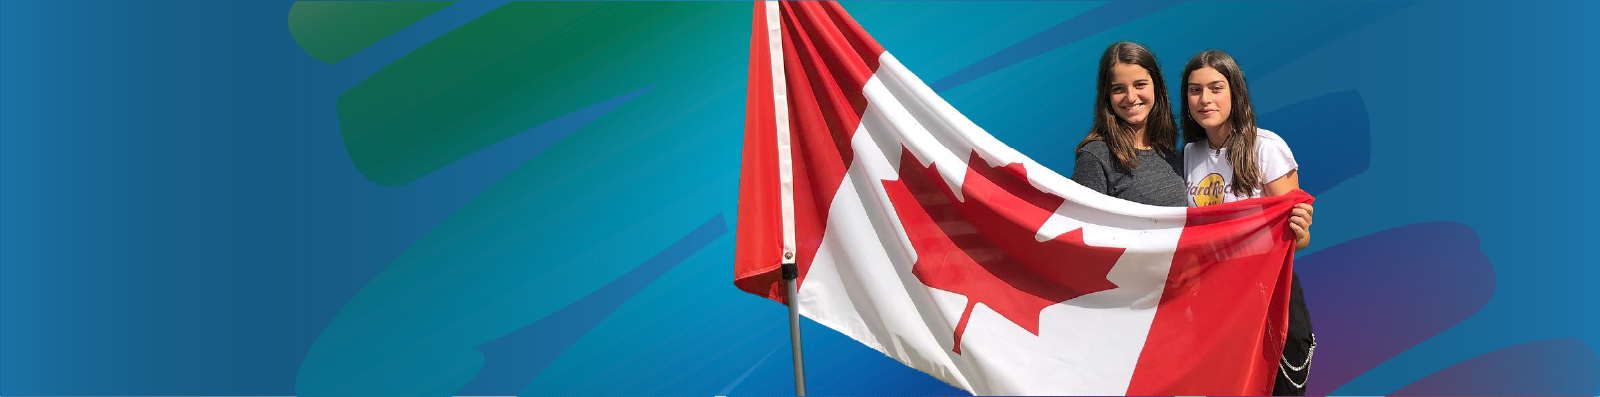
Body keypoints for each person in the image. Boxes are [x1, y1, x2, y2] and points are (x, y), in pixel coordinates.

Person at [1179, 49, 1316, 395]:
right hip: (1214, 304)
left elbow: (1299, 240)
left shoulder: (1266, 149)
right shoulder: (1189, 155)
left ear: (1234, 92)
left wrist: (1298, 227)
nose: (1204, 99)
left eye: (1215, 88)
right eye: (1195, 90)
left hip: (1267, 298)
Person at [1070, 42, 1186, 207]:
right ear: (1107, 96)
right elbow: (1082, 225)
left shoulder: (1170, 152)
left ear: (1156, 87)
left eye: (1139, 85)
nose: (1131, 97)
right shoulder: (1096, 156)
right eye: (1118, 89)